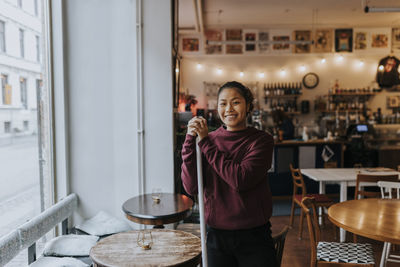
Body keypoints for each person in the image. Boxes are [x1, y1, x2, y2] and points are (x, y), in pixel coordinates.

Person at [181, 81, 276, 267]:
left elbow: (240, 180)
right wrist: (189, 141)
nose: (229, 109)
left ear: (248, 105)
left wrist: (206, 144)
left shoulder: (261, 141)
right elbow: (191, 187)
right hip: (217, 236)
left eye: (235, 102)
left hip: (254, 237)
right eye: (223, 103)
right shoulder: (208, 140)